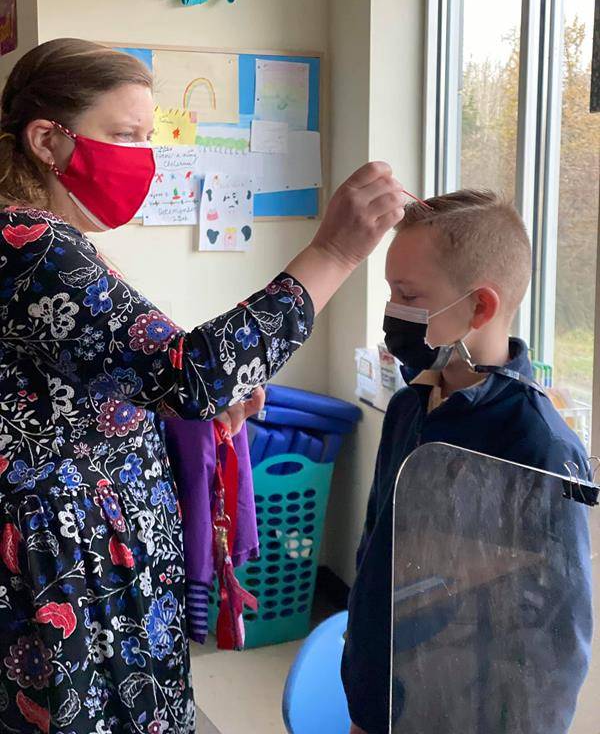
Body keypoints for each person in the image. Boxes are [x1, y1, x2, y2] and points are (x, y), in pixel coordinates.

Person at [0, 38, 407, 734]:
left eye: (147, 135)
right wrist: (334, 252)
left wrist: (187, 404)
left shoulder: (50, 236)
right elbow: (187, 373)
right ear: (47, 140)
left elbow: (109, 380)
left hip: (88, 544)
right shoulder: (31, 242)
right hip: (68, 564)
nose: (144, 156)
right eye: (124, 136)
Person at [342, 190, 593, 734]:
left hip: (465, 709)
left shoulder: (539, 446)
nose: (393, 312)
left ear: (480, 306)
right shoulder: (409, 404)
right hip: (380, 692)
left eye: (409, 295)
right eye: (391, 293)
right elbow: (377, 539)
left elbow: (557, 630)